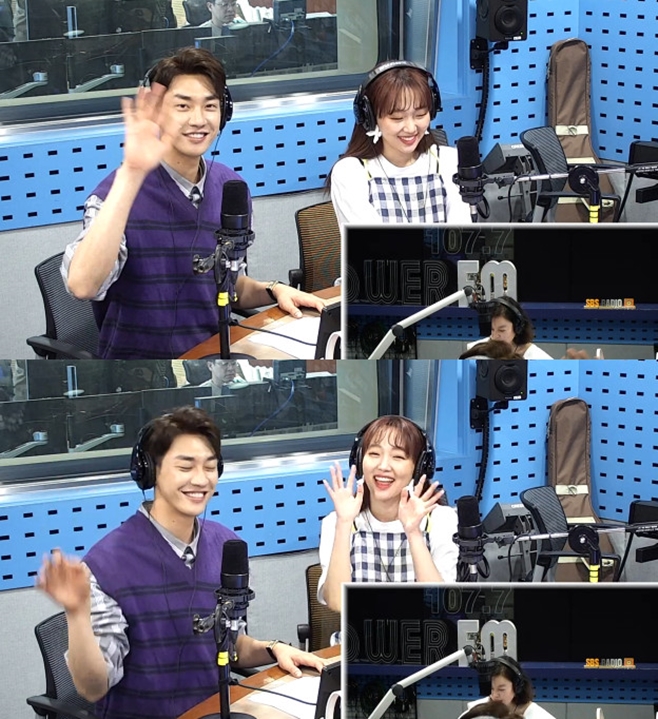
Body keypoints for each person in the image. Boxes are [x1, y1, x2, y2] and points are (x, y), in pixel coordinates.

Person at [37, 406, 325, 719]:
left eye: (210, 467)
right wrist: (77, 613)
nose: (201, 479)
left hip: (213, 713)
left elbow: (229, 647)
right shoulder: (108, 564)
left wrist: (274, 648)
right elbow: (92, 687)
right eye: (185, 467)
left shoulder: (226, 546)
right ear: (150, 471)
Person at [61, 47, 324, 359]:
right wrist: (131, 173)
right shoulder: (114, 194)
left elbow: (228, 287)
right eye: (183, 106)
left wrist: (273, 289)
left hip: (212, 358)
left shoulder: (230, 187)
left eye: (210, 106)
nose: (198, 120)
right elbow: (82, 286)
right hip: (141, 367)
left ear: (224, 113)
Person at [317, 415, 459, 612]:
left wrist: (413, 533)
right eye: (374, 454)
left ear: (419, 468)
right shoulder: (337, 521)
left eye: (398, 457)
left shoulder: (441, 519)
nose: (383, 466)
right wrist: (343, 524)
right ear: (359, 459)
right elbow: (337, 602)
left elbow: (439, 605)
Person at [328, 60, 472, 226]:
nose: (411, 128)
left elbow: (460, 235)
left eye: (420, 115)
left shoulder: (450, 160)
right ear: (370, 118)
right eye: (397, 118)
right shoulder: (351, 172)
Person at [463, 657, 557, 719]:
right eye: (492, 688)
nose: (495, 695)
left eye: (501, 689)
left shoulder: (537, 715)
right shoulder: (479, 711)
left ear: (517, 686)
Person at [467, 297, 552, 360]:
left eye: (502, 330)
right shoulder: (475, 352)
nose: (495, 336)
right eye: (492, 329)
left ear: (518, 327)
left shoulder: (538, 358)